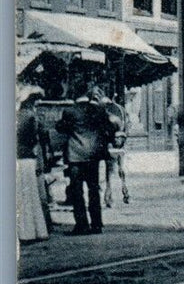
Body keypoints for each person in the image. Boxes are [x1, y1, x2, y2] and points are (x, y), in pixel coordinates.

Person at [56, 99, 115, 235]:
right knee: (93, 189)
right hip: (93, 155)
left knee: (77, 190)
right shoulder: (99, 110)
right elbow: (110, 128)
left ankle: (82, 225)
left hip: (75, 155)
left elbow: (61, 128)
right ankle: (96, 224)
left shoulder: (70, 111)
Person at [17, 89, 51, 242]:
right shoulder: (31, 116)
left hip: (19, 157)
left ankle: (25, 232)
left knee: (22, 195)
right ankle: (36, 230)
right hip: (28, 158)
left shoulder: (18, 115)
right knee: (31, 195)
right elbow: (35, 138)